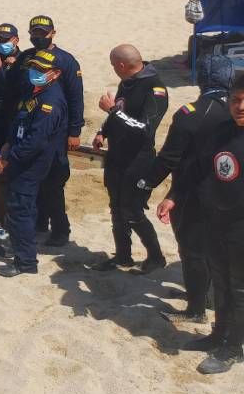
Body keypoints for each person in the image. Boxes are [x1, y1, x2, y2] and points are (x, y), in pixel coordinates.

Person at [144, 55, 235, 325]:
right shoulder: (234, 111)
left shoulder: (191, 114)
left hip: (197, 193)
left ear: (201, 80)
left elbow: (171, 158)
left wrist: (146, 184)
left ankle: (196, 309)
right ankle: (205, 296)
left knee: (193, 250)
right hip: (231, 194)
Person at [91, 44, 168, 274]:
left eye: (114, 65)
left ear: (122, 65)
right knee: (116, 208)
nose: (113, 69)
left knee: (132, 210)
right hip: (117, 156)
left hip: (139, 160)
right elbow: (123, 113)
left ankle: (156, 257)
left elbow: (145, 128)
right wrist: (103, 131)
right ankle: (122, 256)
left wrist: (112, 111)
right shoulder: (127, 82)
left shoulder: (155, 88)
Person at [0, 50, 68, 277]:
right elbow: (19, 123)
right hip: (19, 155)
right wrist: (7, 144)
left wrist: (7, 159)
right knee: (22, 208)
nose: (36, 72)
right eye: (34, 68)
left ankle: (25, 262)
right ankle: (18, 248)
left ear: (55, 74)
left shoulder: (50, 102)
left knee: (20, 208)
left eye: (42, 70)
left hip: (31, 163)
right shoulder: (34, 92)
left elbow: (36, 141)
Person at [14, 15, 82, 246]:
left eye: (42, 33)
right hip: (28, 124)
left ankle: (61, 229)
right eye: (34, 33)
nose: (37, 37)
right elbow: (13, 86)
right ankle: (39, 221)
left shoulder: (66, 61)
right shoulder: (25, 57)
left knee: (53, 183)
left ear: (53, 33)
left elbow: (75, 97)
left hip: (56, 130)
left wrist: (74, 131)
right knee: (34, 180)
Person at [191, 77, 244, 374]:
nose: (240, 106)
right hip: (216, 221)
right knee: (220, 281)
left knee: (239, 288)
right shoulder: (219, 132)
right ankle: (219, 333)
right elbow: (203, 171)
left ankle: (234, 347)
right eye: (235, 99)